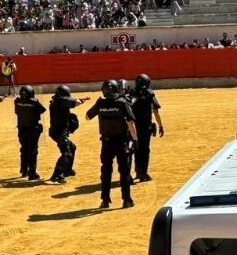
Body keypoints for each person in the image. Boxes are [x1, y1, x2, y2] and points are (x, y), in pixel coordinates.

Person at [86, 79, 136, 208]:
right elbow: (131, 123)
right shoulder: (122, 103)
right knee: (124, 172)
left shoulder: (100, 103)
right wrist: (135, 140)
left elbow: (87, 116)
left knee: (106, 171)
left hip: (106, 143)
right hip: (121, 142)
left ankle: (105, 200)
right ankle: (126, 200)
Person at [130, 73, 164, 181]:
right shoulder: (149, 93)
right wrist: (160, 125)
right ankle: (143, 173)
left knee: (136, 149)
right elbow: (155, 111)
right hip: (145, 127)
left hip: (133, 127)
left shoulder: (132, 92)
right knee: (145, 150)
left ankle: (137, 171)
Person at [47, 84, 83, 184]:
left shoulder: (57, 101)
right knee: (67, 152)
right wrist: (80, 101)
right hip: (59, 133)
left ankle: (67, 170)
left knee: (72, 147)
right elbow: (74, 103)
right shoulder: (60, 101)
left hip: (57, 132)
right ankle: (57, 175)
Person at [14, 85, 46, 180]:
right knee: (32, 150)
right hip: (33, 129)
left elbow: (17, 111)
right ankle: (32, 173)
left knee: (24, 149)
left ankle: (24, 170)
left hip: (21, 129)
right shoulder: (34, 102)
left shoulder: (17, 102)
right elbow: (43, 110)